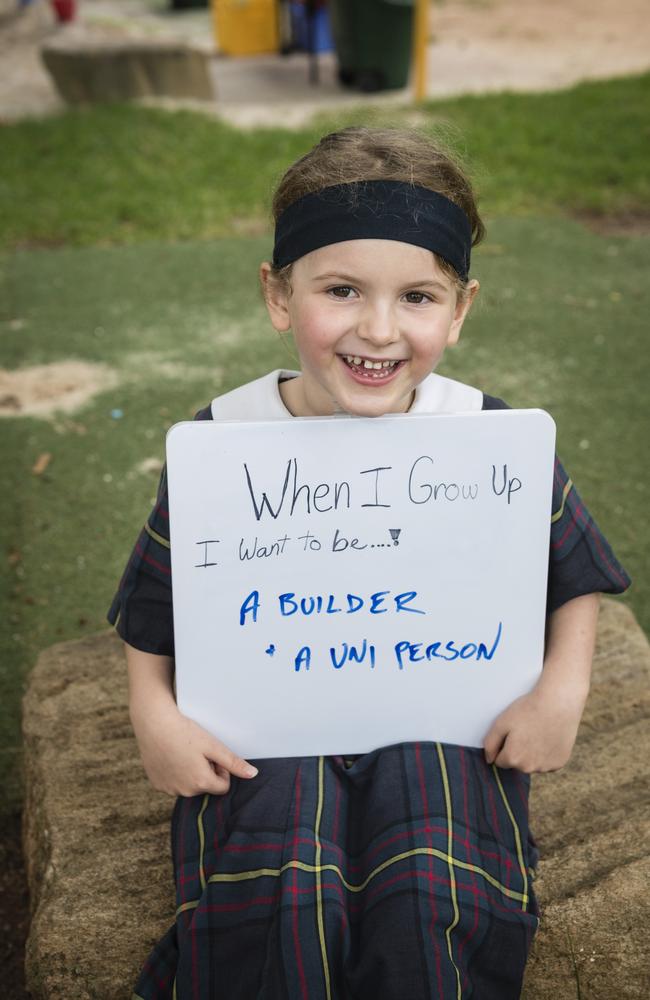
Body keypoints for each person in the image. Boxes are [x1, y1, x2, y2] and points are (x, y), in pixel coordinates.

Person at [108, 127, 630, 999]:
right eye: (341, 289)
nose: (378, 330)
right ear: (278, 295)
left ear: (460, 310)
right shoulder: (219, 444)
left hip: (447, 725)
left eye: (418, 296)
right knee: (280, 888)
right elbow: (154, 609)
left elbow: (572, 576)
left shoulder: (489, 439)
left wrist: (561, 691)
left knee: (434, 889)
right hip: (265, 729)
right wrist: (152, 719)